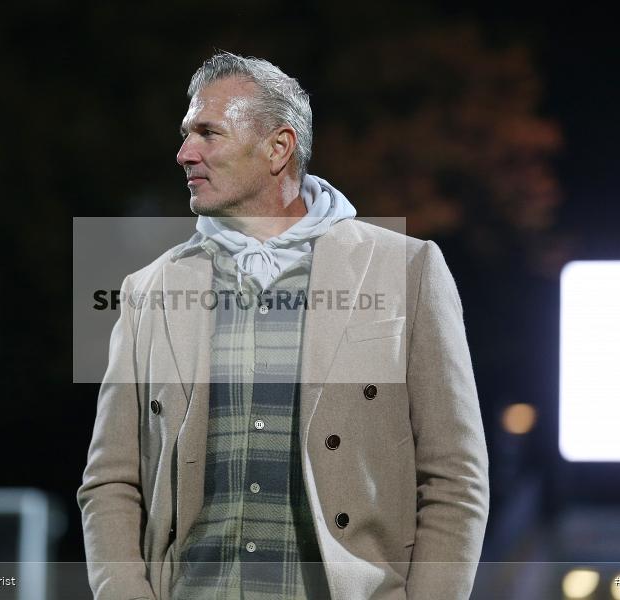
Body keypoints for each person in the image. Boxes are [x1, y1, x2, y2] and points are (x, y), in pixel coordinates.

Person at [77, 51, 489, 600]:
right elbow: (110, 481)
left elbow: (454, 477)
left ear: (278, 147)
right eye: (184, 134)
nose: (183, 153)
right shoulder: (146, 290)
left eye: (207, 133)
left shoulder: (407, 270)